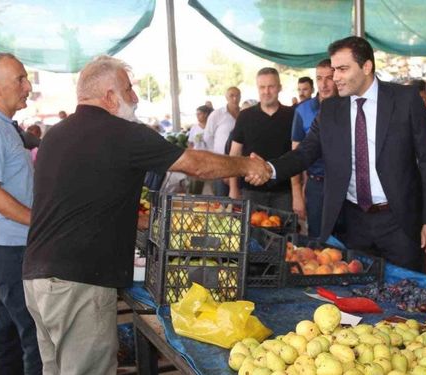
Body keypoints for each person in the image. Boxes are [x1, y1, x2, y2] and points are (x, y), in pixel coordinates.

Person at [21, 55, 271, 374]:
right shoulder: (123, 133)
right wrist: (247, 165)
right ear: (110, 96)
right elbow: (195, 164)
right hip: (78, 281)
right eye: (128, 90)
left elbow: (85, 203)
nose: (136, 98)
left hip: (38, 277)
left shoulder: (56, 134)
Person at [268, 36, 426, 271]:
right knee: (358, 295)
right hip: (353, 222)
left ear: (367, 66)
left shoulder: (405, 100)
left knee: (407, 292)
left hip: (399, 221)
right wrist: (269, 169)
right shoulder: (330, 109)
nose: (335, 77)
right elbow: (305, 153)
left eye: (342, 69)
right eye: (333, 70)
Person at [0, 53, 42, 375]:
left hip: (8, 247)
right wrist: (40, 223)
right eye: (20, 79)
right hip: (10, 249)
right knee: (34, 336)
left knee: (8, 338)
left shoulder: (3, 125)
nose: (28, 85)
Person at [229, 67, 295, 211]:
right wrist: (233, 188)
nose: (266, 91)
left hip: (284, 192)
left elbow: (298, 155)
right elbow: (234, 154)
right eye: (262, 87)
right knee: (251, 233)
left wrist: (299, 193)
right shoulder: (245, 116)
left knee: (284, 232)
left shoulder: (292, 115)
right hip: (251, 191)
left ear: (279, 88)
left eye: (271, 86)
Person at [290, 59, 338, 237]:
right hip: (316, 185)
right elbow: (296, 155)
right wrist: (297, 193)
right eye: (319, 78)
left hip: (347, 185)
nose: (324, 84)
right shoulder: (302, 111)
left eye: (329, 78)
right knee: (318, 241)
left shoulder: (350, 105)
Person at [204, 86, 241, 196]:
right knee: (221, 199)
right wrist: (216, 154)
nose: (235, 98)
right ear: (226, 97)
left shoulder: (244, 114)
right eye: (231, 96)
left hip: (239, 163)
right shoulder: (217, 114)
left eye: (237, 95)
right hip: (220, 162)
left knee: (239, 199)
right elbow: (208, 136)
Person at [187, 105, 213, 194]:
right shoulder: (194, 127)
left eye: (199, 114)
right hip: (197, 158)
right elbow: (190, 143)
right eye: (196, 114)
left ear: (206, 114)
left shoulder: (211, 127)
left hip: (211, 158)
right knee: (196, 184)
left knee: (212, 184)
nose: (197, 116)